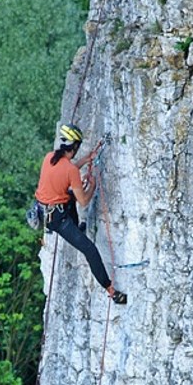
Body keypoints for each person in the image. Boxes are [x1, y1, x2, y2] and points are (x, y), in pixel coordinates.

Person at [34, 124, 127, 305]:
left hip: (46, 208)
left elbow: (64, 173)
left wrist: (85, 161)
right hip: (57, 220)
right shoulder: (71, 170)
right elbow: (84, 201)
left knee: (70, 197)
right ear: (75, 146)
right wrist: (92, 185)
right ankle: (111, 290)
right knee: (89, 249)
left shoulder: (49, 158)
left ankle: (77, 229)